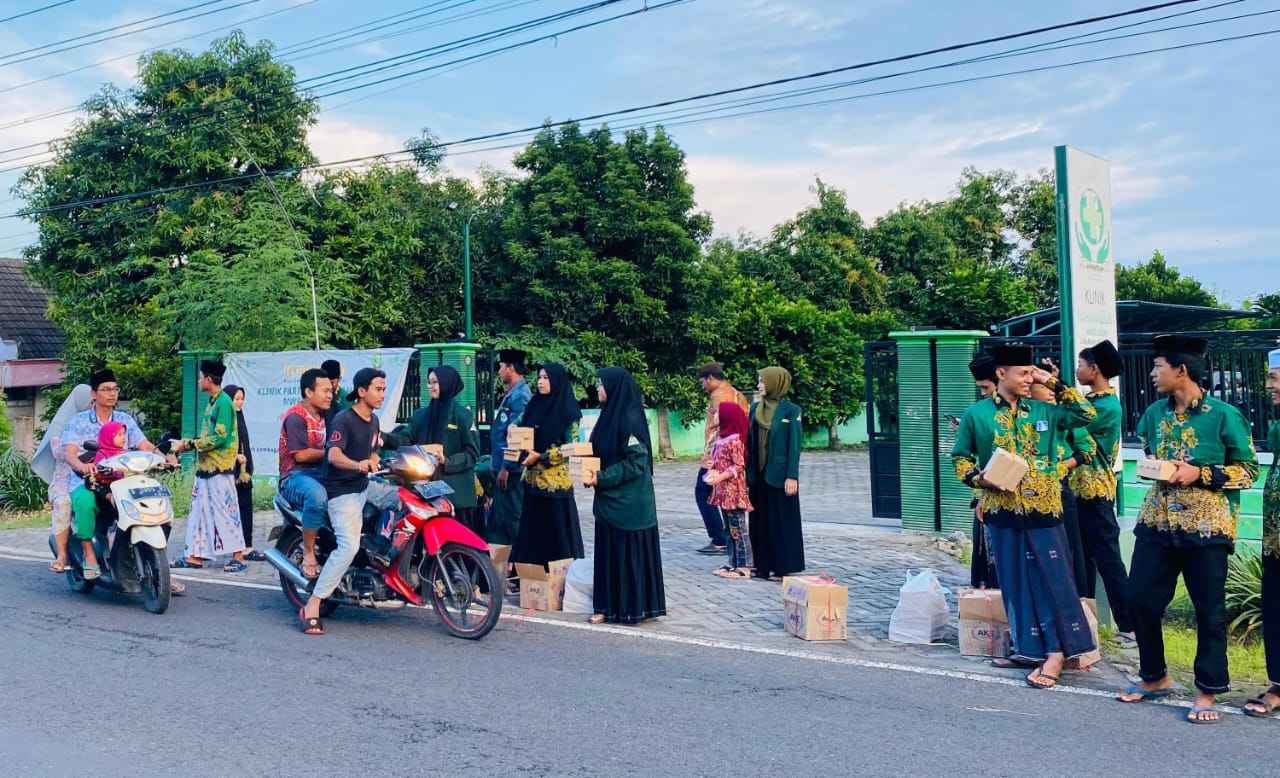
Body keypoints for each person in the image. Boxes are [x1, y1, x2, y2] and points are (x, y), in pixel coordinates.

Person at [1118, 335, 1258, 723]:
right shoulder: (1153, 414)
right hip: (1157, 520)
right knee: (1140, 600)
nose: (1151, 373)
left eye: (1158, 366)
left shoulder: (1224, 415)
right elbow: (1150, 455)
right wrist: (1155, 468)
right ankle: (1154, 676)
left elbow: (1248, 471)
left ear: (1181, 370)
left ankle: (1207, 690)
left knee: (1208, 611)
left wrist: (1202, 473)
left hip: (1207, 525)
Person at [951, 344, 1097, 690]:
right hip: (1002, 509)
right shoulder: (977, 415)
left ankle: (1057, 653)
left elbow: (1087, 415)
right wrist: (978, 479)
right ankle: (1028, 648)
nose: (1030, 379)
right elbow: (960, 458)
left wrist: (1055, 383)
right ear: (1001, 374)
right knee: (1015, 582)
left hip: (1044, 509)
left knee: (1052, 580)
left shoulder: (1045, 410)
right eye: (1023, 373)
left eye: (1033, 372)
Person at [301, 367, 399, 635]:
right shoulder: (343, 420)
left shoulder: (374, 421)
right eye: (378, 389)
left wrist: (377, 461)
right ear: (361, 391)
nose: (382, 394)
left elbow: (374, 451)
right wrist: (359, 465)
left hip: (365, 486)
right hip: (342, 492)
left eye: (383, 388)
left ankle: (380, 551)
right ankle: (313, 603)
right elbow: (333, 455)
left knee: (401, 499)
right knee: (348, 546)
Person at [64, 370, 176, 587]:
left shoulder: (125, 419)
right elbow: (70, 453)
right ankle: (88, 552)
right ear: (94, 394)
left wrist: (164, 458)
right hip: (90, 481)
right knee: (85, 502)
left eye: (115, 389)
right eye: (106, 389)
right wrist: (83, 466)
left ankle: (157, 566)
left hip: (123, 480)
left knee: (155, 505)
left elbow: (145, 445)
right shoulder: (79, 421)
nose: (112, 394)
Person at [581, 368, 666, 625]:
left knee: (628, 555)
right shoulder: (608, 417)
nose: (598, 389)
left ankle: (633, 608)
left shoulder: (629, 419)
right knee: (608, 555)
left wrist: (601, 478)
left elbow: (636, 462)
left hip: (629, 502)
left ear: (614, 387)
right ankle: (606, 606)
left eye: (601, 384)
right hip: (609, 499)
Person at [1074, 339, 1133, 641]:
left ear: (1094, 369)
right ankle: (1084, 620)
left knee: (1108, 559)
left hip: (1096, 490)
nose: (1077, 370)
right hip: (1077, 489)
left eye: (1081, 365)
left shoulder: (1107, 405)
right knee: (1081, 558)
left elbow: (1074, 421)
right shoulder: (1092, 402)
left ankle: (1129, 623)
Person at [170, 360, 248, 572]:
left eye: (201, 377)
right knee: (199, 511)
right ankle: (194, 555)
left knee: (225, 511)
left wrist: (188, 444)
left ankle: (239, 556)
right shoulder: (213, 401)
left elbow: (220, 438)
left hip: (219, 469)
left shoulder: (223, 402)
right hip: (206, 468)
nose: (198, 380)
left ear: (209, 379)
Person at [509, 363, 584, 567]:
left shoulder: (569, 413)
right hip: (533, 483)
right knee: (534, 533)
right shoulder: (534, 405)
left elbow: (572, 448)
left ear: (557, 381)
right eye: (539, 378)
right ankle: (532, 581)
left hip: (556, 486)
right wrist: (513, 431)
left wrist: (541, 457)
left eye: (546, 378)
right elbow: (518, 424)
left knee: (557, 534)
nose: (541, 382)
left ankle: (559, 582)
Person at [1245, 347, 1280, 718]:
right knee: (1275, 607)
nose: (1268, 385)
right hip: (1274, 535)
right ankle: (1278, 683)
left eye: (1273, 377)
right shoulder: (1276, 426)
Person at [746, 366, 804, 581]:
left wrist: (792, 476)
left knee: (781, 522)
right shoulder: (754, 409)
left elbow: (794, 445)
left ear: (774, 383)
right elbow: (749, 443)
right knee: (759, 521)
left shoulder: (791, 410)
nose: (759, 385)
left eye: (762, 381)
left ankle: (783, 567)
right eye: (759, 381)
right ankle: (762, 566)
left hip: (780, 475)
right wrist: (746, 474)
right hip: (758, 474)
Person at [408, 365, 480, 532]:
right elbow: (406, 437)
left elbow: (472, 453)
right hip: (425, 489)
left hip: (456, 494)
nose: (430, 386)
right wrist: (382, 437)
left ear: (447, 384)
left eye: (435, 382)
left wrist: (447, 461)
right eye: (429, 382)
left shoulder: (463, 416)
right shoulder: (421, 415)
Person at [279, 368, 334, 581]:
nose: (330, 395)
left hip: (318, 473)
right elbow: (301, 455)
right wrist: (332, 454)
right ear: (308, 392)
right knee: (317, 496)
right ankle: (309, 553)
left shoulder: (323, 415)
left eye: (331, 390)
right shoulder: (295, 417)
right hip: (294, 477)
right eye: (325, 391)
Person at [33, 383, 92, 574]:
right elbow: (60, 452)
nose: (93, 404)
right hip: (65, 481)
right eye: (90, 401)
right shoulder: (63, 425)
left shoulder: (98, 421)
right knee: (64, 503)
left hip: (95, 477)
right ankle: (62, 555)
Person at [694, 363, 749, 555]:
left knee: (703, 492)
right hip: (734, 449)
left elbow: (717, 430)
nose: (702, 386)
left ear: (710, 378)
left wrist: (709, 457)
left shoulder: (719, 396)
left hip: (721, 453)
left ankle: (720, 540)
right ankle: (728, 539)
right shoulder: (734, 392)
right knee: (723, 497)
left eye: (702, 381)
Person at [481, 348, 532, 546]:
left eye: (501, 367)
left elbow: (518, 438)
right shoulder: (512, 393)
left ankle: (519, 569)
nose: (499, 371)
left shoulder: (521, 396)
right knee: (498, 522)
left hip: (511, 471)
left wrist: (506, 467)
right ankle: (498, 569)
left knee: (512, 521)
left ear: (510, 367)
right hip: (503, 467)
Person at [705, 401, 753, 579]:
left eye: (718, 413)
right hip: (723, 492)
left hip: (733, 491)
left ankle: (744, 565)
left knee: (738, 528)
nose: (715, 416)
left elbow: (739, 465)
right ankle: (732, 562)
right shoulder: (721, 438)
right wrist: (712, 466)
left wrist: (721, 476)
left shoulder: (734, 441)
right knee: (729, 529)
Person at [967, 354, 998, 590]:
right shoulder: (978, 413)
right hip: (991, 496)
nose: (983, 392)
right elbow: (962, 456)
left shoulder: (1038, 410)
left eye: (985, 387)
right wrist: (980, 485)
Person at [223, 385, 265, 562]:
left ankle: (247, 547)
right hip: (228, 472)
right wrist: (234, 458)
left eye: (242, 398)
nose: (240, 402)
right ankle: (232, 548)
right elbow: (220, 445)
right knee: (230, 511)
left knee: (246, 509)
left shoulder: (240, 416)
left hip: (243, 472)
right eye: (236, 399)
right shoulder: (224, 419)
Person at [321, 359, 348, 428]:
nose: (328, 386)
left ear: (339, 379)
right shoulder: (317, 395)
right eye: (325, 382)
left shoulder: (345, 399)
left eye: (332, 382)